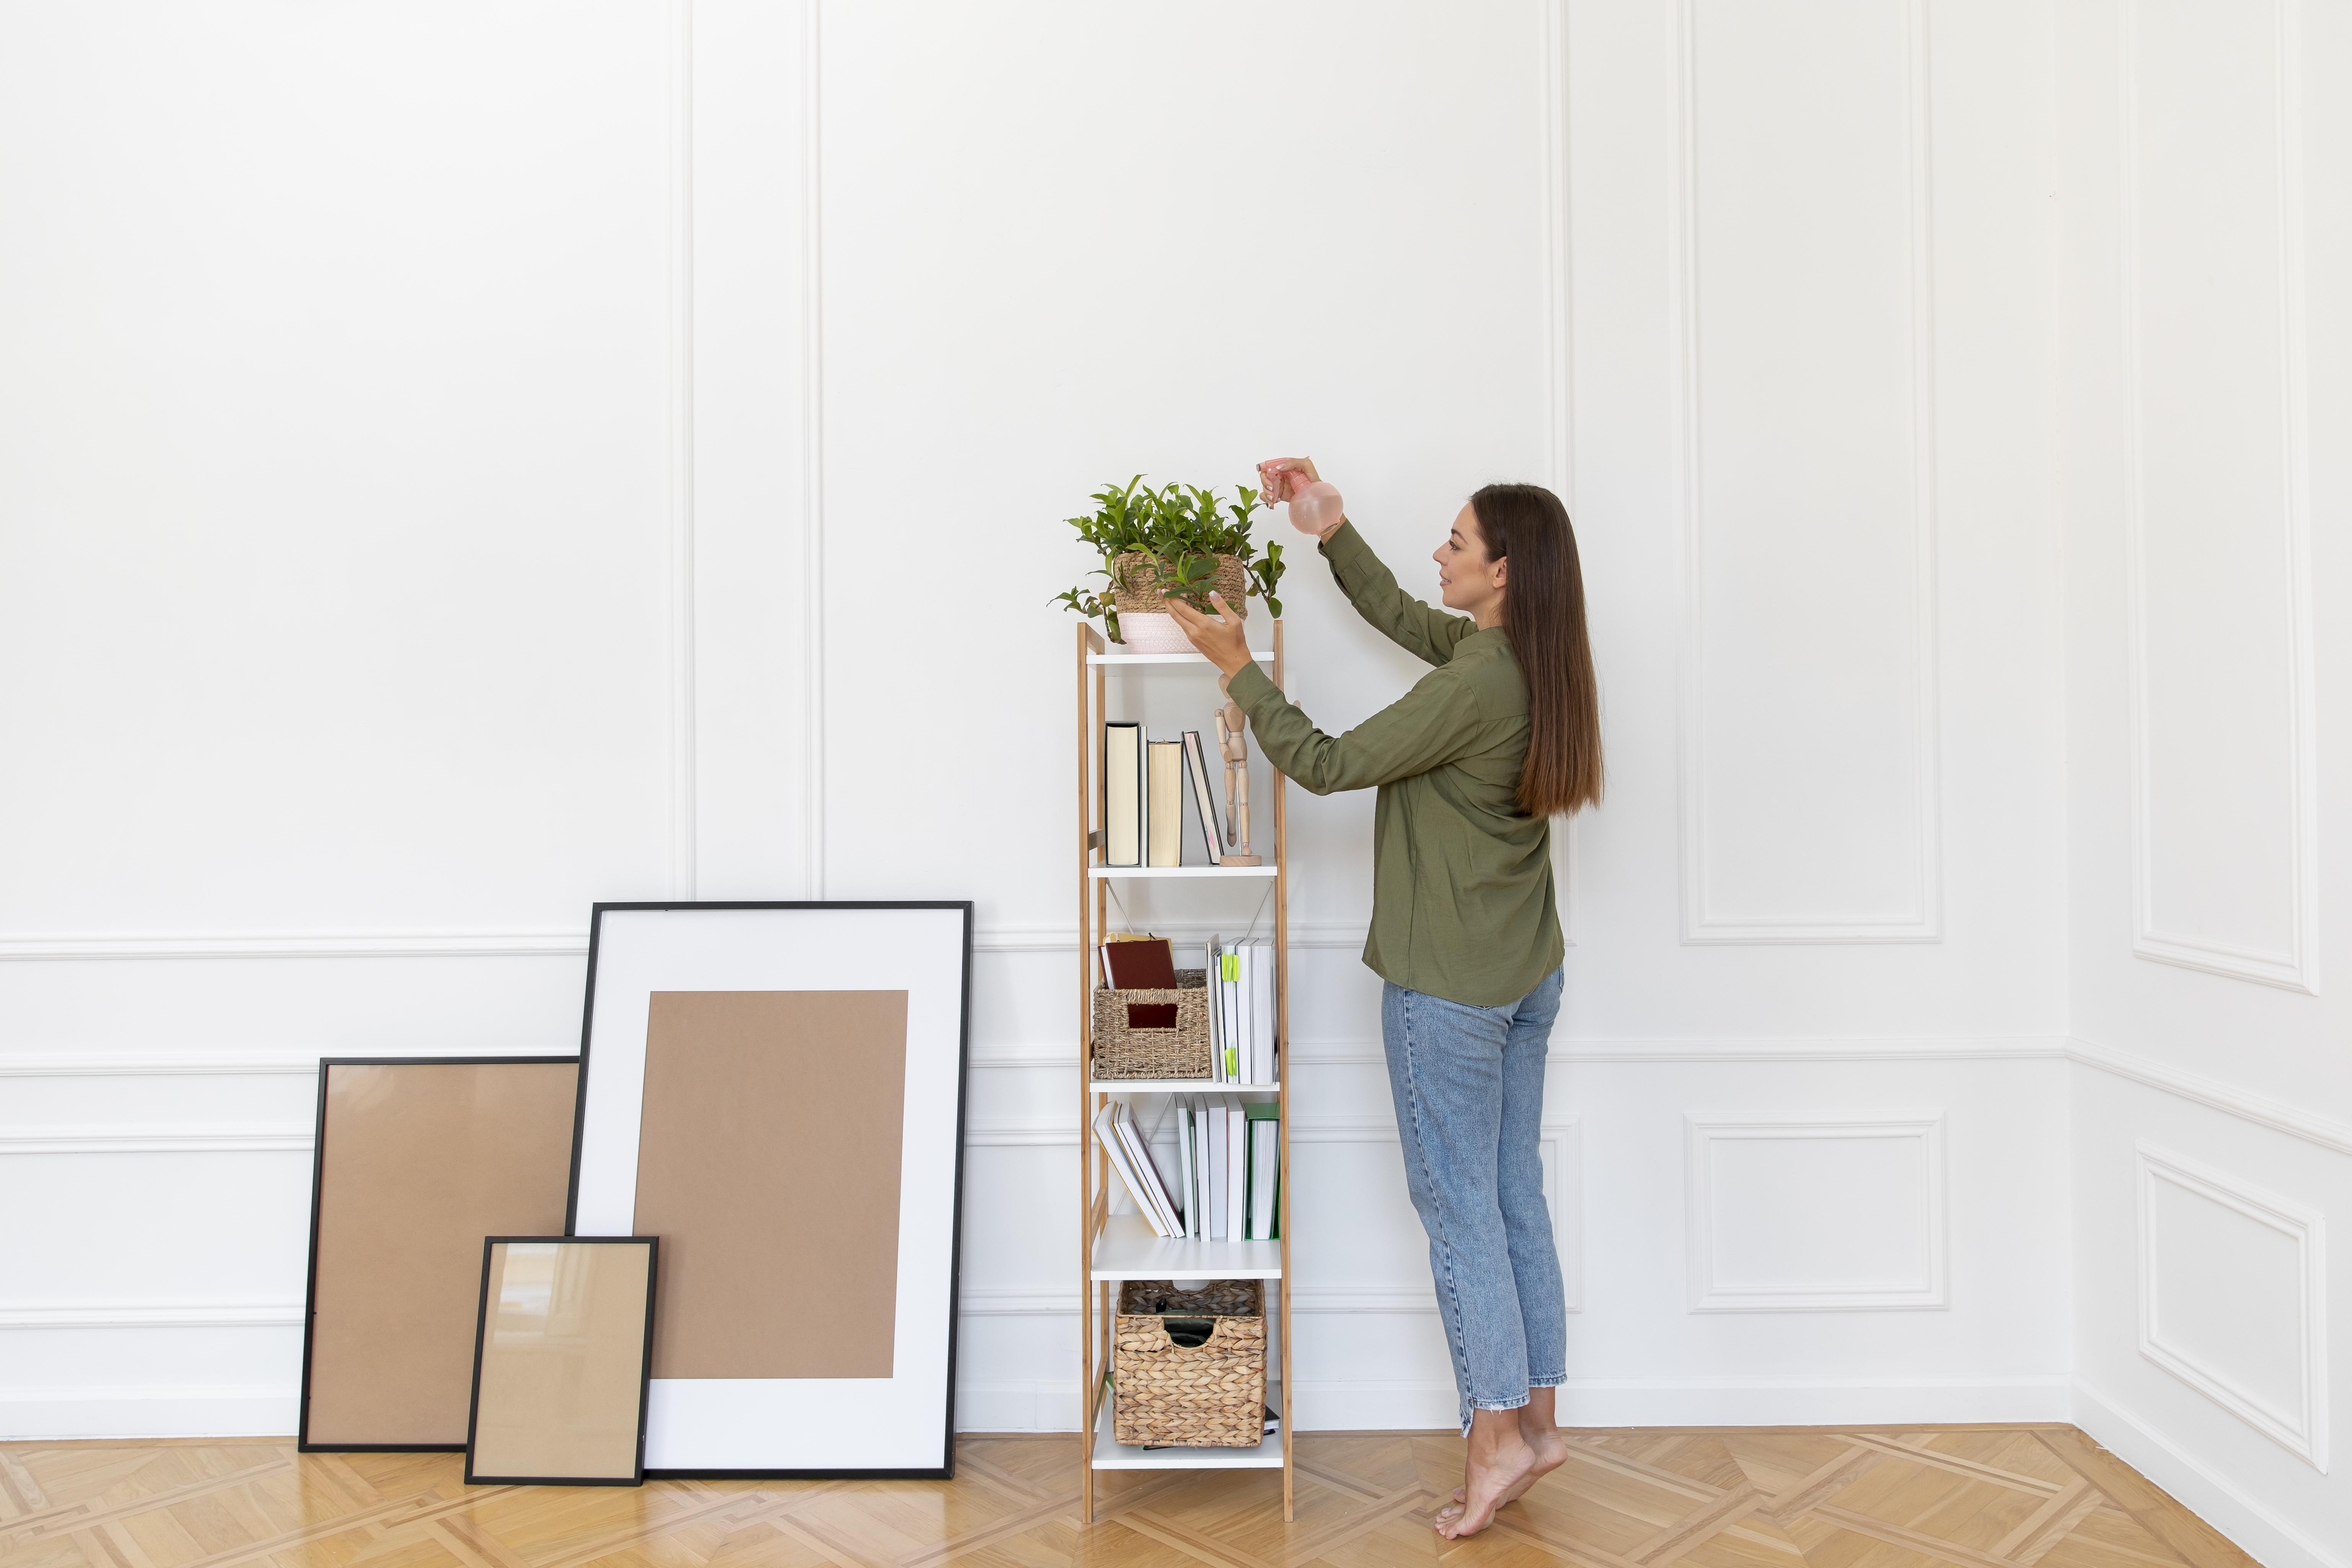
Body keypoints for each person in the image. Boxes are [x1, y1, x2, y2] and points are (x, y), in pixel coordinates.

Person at [1165, 457, 1603, 1539]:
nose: (1439, 554)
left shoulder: (1473, 683)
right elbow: (1407, 615)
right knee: (1510, 1198)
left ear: (1501, 573)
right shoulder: (1526, 658)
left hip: (1449, 990)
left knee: (1459, 1213)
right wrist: (1327, 527)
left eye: (1455, 542)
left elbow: (1320, 760)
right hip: (1525, 971)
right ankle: (1537, 1418)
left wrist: (1236, 669)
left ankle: (1494, 1438)